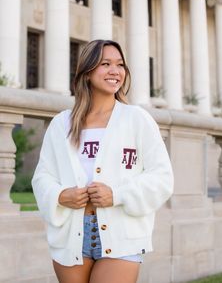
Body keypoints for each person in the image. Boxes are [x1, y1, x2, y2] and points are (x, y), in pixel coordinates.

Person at [32, 39, 174, 283]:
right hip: (71, 234)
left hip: (121, 234)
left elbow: (162, 178)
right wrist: (60, 196)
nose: (115, 71)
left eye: (120, 65)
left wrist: (117, 195)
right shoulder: (61, 124)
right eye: (105, 63)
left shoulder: (137, 119)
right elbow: (42, 176)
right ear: (87, 72)